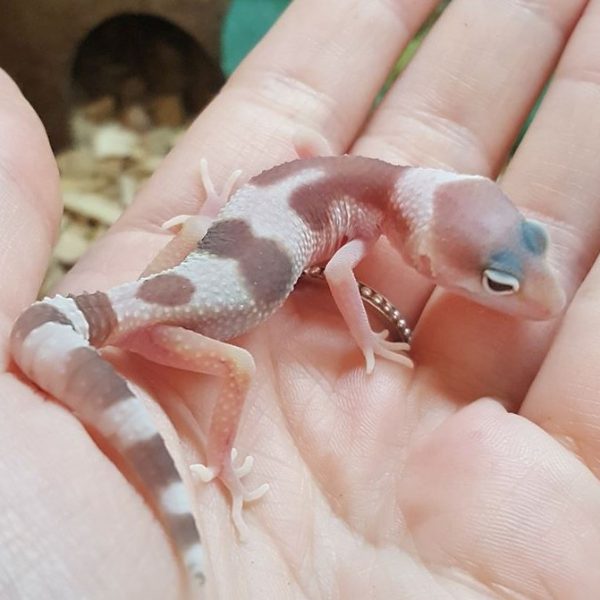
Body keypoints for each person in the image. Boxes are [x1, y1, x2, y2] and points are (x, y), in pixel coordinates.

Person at [2, 1, 600, 597]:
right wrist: (365, 336)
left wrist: (217, 221)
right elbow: (340, 274)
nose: (528, 290)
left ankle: (198, 241)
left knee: (204, 253)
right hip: (163, 325)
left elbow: (310, 147)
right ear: (424, 252)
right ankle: (221, 463)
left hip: (172, 277)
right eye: (497, 283)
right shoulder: (367, 228)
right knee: (238, 362)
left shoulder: (354, 177)